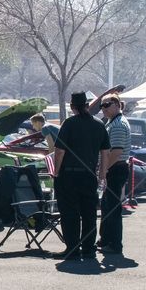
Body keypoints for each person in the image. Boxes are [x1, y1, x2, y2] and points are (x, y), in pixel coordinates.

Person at [51, 92, 110, 260]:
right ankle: (89, 249)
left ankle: (72, 247)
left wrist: (56, 172)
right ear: (87, 105)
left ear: (72, 107)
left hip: (68, 175)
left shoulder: (69, 123)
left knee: (70, 213)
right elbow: (105, 152)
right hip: (89, 175)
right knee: (89, 213)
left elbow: (59, 151)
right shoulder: (99, 125)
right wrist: (102, 174)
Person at [97, 94, 130, 254]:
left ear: (117, 105)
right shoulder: (112, 122)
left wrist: (103, 170)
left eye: (107, 104)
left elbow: (116, 151)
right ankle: (105, 239)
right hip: (114, 168)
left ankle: (115, 244)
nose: (103, 108)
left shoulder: (117, 125)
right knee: (106, 205)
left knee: (112, 208)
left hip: (116, 168)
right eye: (101, 106)